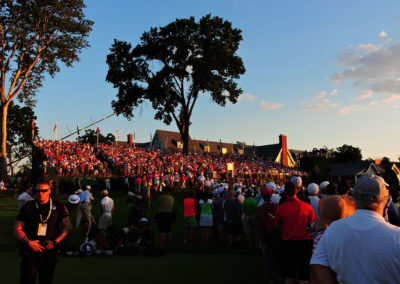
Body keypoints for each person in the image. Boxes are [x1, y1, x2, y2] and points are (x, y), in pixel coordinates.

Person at [310, 175, 400, 284]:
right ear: (386, 200)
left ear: (355, 197)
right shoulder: (396, 236)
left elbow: (318, 265)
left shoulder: (333, 229)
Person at [14, 181, 72, 284]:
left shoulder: (58, 206)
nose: (40, 193)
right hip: (30, 250)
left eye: (44, 191)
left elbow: (67, 227)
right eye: (37, 191)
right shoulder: (28, 207)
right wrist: (29, 242)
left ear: (49, 191)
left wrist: (55, 242)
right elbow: (17, 229)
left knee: (46, 280)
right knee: (27, 280)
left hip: (49, 251)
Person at [275, 181, 317, 284]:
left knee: (289, 274)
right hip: (304, 242)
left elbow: (277, 226)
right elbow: (313, 226)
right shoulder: (306, 206)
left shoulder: (280, 208)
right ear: (297, 191)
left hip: (288, 242)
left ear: (285, 192)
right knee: (303, 274)